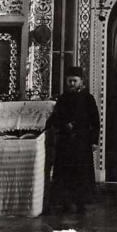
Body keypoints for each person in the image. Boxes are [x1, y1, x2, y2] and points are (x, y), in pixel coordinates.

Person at [46, 66, 100, 214]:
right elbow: (55, 118)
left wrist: (94, 140)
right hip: (65, 142)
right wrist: (64, 124)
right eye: (69, 81)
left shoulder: (88, 98)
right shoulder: (62, 99)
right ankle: (65, 202)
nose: (71, 84)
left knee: (81, 173)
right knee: (65, 173)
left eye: (74, 81)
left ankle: (81, 203)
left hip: (82, 142)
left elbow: (95, 121)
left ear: (81, 81)